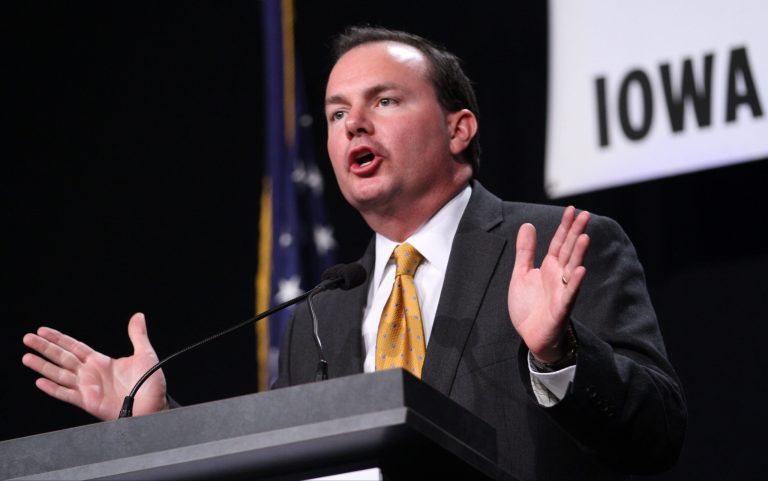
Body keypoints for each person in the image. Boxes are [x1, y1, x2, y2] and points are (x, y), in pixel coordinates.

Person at [22, 26, 686, 480]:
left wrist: (557, 354)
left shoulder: (555, 246)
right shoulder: (325, 311)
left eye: (384, 101)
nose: (353, 126)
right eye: (337, 113)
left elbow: (656, 434)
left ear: (460, 128)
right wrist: (155, 422)